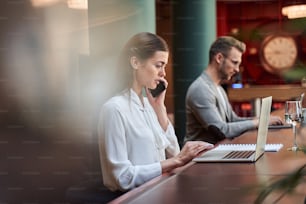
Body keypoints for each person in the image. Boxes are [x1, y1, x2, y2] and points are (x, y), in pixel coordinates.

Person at [98, 32, 214, 192]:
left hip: (158, 190)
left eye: (164, 66)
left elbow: (174, 154)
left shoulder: (148, 105)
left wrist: (160, 109)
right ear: (135, 62)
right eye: (158, 65)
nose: (163, 73)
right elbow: (122, 178)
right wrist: (178, 160)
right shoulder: (114, 109)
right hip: (135, 197)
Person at [184, 36, 283, 145]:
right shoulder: (201, 89)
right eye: (234, 62)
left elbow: (232, 120)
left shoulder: (219, 88)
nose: (236, 69)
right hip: (199, 158)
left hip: (215, 152)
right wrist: (258, 122)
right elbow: (222, 130)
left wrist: (260, 120)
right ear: (219, 58)